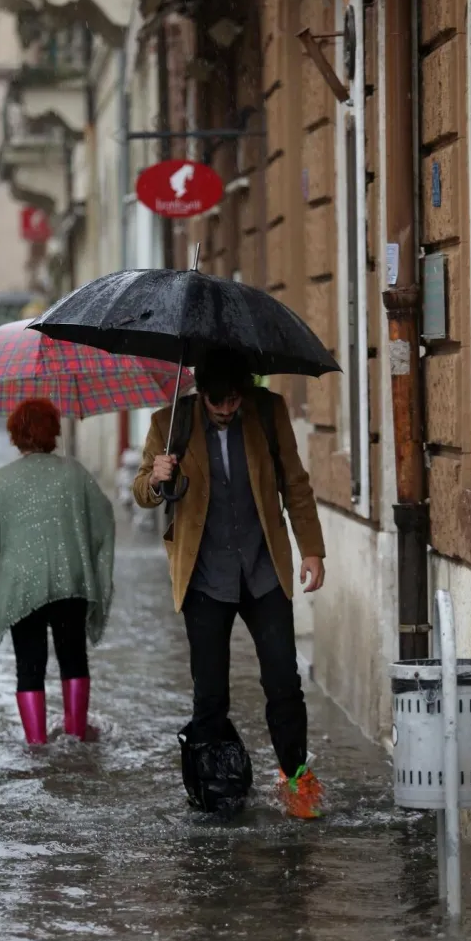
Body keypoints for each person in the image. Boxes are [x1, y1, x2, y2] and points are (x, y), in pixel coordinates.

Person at [133, 350, 326, 819]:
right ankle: (215, 786)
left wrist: (312, 549)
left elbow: (295, 484)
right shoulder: (169, 422)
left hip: (263, 568)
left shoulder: (267, 411)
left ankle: (295, 775)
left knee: (283, 680)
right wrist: (157, 479)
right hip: (203, 574)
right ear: (202, 393)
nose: (226, 409)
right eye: (217, 402)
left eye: (234, 400)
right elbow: (141, 491)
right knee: (210, 692)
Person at [0, 398, 115, 746]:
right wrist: (88, 559)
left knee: (29, 666)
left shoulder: (0, 481)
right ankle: (77, 738)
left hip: (21, 588)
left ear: (15, 435)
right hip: (70, 582)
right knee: (73, 658)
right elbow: (104, 520)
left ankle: (36, 746)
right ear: (54, 432)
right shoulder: (75, 473)